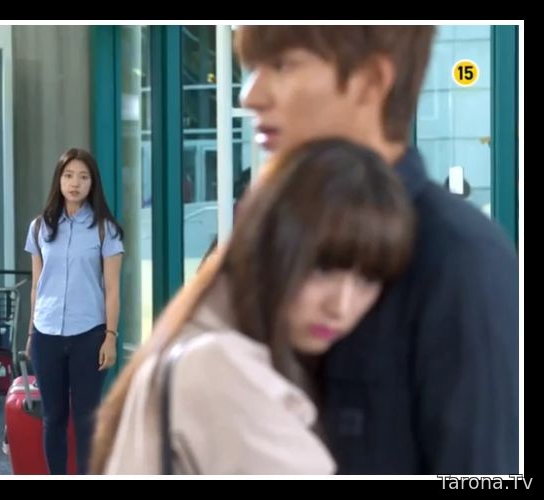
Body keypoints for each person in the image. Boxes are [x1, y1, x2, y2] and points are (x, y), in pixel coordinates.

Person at [234, 25, 518, 474]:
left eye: (282, 65)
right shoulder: (266, 235)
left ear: (371, 81)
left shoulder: (461, 259)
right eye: (253, 68)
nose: (251, 96)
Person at [90, 138, 415, 474]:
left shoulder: (210, 342)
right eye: (322, 269)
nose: (341, 306)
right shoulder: (220, 367)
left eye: (368, 279)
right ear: (270, 246)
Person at [24, 147, 125, 474]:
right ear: (59, 180)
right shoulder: (40, 227)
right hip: (47, 333)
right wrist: (31, 334)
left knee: (86, 420)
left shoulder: (105, 229)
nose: (75, 183)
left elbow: (112, 288)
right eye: (68, 176)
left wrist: (110, 336)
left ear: (92, 184)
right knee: (52, 418)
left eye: (83, 177)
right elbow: (37, 285)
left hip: (89, 335)